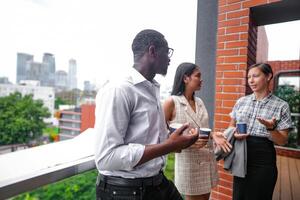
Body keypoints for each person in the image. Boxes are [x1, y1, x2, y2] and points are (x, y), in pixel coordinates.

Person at [94, 29, 199, 200]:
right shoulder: (119, 90)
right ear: (152, 51)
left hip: (156, 183)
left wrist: (175, 138)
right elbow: (106, 158)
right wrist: (170, 145)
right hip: (125, 192)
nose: (170, 58)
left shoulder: (151, 88)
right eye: (167, 51)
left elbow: (145, 136)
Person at [163, 62, 232, 200]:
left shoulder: (199, 101)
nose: (201, 79)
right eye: (198, 76)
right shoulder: (171, 102)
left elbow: (200, 127)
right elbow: (162, 136)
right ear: (185, 78)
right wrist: (187, 142)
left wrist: (213, 135)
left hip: (207, 161)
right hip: (189, 164)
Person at [228, 63, 292, 200]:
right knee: (239, 196)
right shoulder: (241, 101)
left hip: (263, 160)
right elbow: (231, 127)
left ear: (268, 76)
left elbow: (282, 140)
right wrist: (234, 133)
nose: (251, 80)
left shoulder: (281, 105)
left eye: (255, 76)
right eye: (249, 77)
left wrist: (270, 128)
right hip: (241, 156)